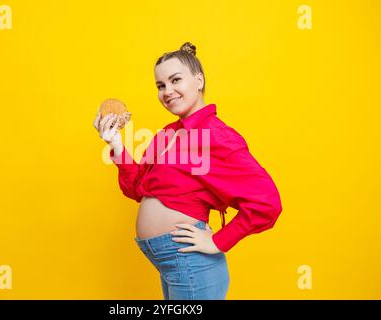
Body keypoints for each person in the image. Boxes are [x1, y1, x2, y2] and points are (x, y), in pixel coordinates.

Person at [93, 42, 283, 300]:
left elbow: (268, 203)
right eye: (160, 86)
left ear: (199, 81)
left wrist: (218, 241)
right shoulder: (167, 135)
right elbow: (137, 189)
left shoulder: (216, 136)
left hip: (192, 264)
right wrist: (115, 144)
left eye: (175, 80)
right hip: (173, 267)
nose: (167, 91)